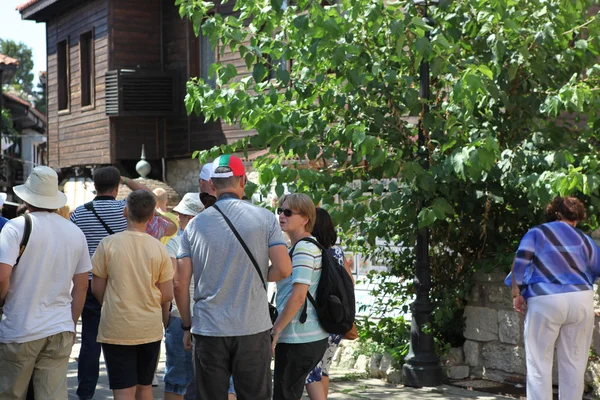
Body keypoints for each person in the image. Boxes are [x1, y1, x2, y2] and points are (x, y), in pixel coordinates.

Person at [175, 154, 292, 400]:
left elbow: (180, 282)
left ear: (212, 185)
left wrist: (187, 325)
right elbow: (283, 269)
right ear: (243, 180)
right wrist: (259, 273)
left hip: (209, 329)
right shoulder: (264, 218)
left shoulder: (195, 225)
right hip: (253, 327)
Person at [71, 166, 170, 400]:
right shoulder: (126, 209)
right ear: (117, 188)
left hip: (96, 287)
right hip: (139, 302)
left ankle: (85, 392)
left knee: (89, 345)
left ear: (94, 186)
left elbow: (78, 251)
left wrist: (108, 299)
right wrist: (126, 178)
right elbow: (149, 199)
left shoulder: (79, 213)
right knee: (143, 384)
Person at [0, 166, 91, 399]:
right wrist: (71, 323)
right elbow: (82, 286)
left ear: (27, 197)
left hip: (20, 327)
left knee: (11, 394)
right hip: (59, 327)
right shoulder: (75, 232)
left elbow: (2, 277)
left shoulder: (15, 227)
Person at [505, 196, 600, 400]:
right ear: (575, 217)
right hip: (581, 299)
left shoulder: (537, 233)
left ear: (553, 213)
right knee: (574, 363)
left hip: (546, 299)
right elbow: (596, 268)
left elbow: (520, 263)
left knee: (539, 362)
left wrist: (517, 293)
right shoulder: (585, 239)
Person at [91, 190, 174, 400]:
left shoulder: (107, 244)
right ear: (152, 217)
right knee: (145, 387)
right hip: (149, 326)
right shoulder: (159, 248)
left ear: (125, 211)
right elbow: (167, 293)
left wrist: (110, 302)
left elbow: (97, 288)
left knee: (123, 390)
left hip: (116, 326)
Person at [272, 193, 329, 400]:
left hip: (298, 337)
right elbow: (272, 274)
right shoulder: (299, 247)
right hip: (308, 335)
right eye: (280, 211)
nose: (282, 216)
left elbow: (298, 295)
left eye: (288, 212)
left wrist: (276, 331)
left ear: (305, 219)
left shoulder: (304, 249)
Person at [305, 207, 354, 400]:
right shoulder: (337, 252)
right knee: (323, 369)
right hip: (336, 316)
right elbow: (349, 283)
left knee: (310, 373)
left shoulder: (310, 250)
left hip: (317, 320)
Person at [164, 193, 204, 400]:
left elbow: (174, 283)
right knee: (221, 383)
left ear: (190, 218)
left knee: (177, 381)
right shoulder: (215, 243)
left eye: (181, 215)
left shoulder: (174, 244)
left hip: (181, 317)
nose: (178, 218)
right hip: (212, 318)